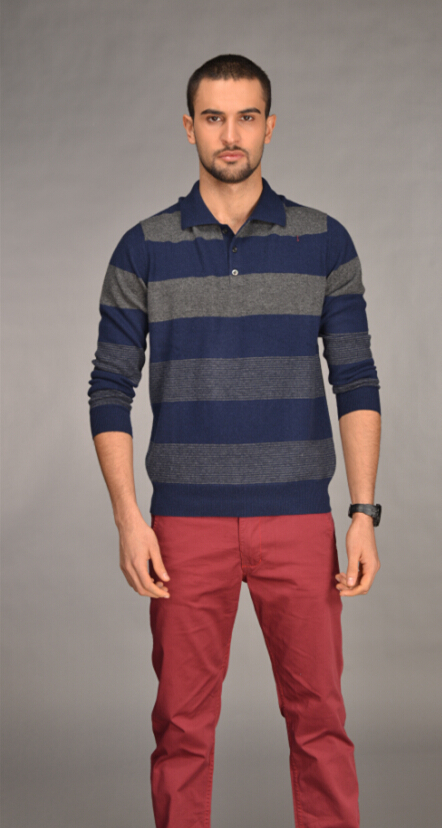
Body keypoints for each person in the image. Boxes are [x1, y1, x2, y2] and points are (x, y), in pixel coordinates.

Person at [88, 54, 382, 828]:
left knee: (320, 722)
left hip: (299, 519)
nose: (230, 134)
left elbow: (356, 379)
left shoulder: (325, 242)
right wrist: (129, 519)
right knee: (181, 729)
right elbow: (108, 388)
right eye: (214, 117)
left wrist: (362, 513)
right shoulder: (142, 247)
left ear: (269, 126)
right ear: (189, 128)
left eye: (246, 117)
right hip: (184, 527)